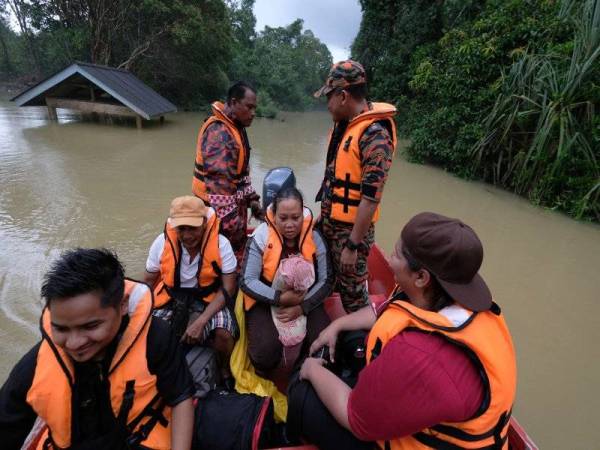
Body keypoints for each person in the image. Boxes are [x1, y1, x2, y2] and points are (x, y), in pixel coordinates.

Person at [296, 212, 517, 450]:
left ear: (421, 277)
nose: (389, 261)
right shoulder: (448, 298)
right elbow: (387, 311)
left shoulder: (422, 355)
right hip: (423, 405)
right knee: (351, 337)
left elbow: (357, 420)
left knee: (300, 393)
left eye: (397, 254)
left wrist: (311, 370)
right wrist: (336, 325)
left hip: (400, 427)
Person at [0, 248, 194, 450]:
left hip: (139, 437)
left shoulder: (156, 338)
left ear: (123, 305)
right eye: (61, 328)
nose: (74, 343)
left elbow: (180, 396)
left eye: (90, 326)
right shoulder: (36, 365)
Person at [313, 60, 397, 313]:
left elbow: (371, 199)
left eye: (328, 97)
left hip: (351, 234)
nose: (327, 105)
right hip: (332, 224)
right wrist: (324, 215)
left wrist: (352, 246)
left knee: (353, 296)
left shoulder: (375, 136)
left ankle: (358, 345)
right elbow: (335, 178)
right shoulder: (345, 125)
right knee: (327, 278)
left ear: (343, 96)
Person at [240, 187, 333, 377]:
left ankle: (304, 371)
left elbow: (326, 279)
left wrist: (302, 306)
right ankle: (266, 374)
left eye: (295, 217)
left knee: (322, 340)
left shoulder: (315, 237)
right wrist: (280, 298)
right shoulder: (261, 236)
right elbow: (247, 281)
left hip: (306, 299)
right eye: (283, 218)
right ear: (273, 216)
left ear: (302, 215)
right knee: (265, 350)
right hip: (266, 300)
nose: (290, 224)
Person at [144, 195, 238, 382]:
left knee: (224, 335)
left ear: (204, 223)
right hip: (171, 298)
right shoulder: (161, 243)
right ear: (173, 226)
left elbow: (229, 288)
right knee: (149, 333)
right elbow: (147, 282)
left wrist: (201, 320)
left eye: (193, 228)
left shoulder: (221, 244)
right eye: (181, 229)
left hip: (209, 298)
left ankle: (224, 370)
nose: (187, 235)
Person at [192, 81, 264, 262]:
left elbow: (241, 177)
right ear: (233, 103)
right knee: (223, 263)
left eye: (255, 108)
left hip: (229, 216)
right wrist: (238, 234)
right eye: (249, 107)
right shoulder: (220, 136)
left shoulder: (236, 128)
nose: (253, 113)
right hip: (216, 220)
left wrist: (253, 201)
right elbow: (220, 197)